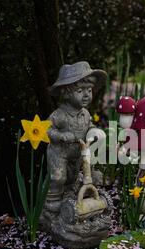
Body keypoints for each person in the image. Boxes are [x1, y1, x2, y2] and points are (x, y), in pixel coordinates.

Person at [47, 62, 106, 201]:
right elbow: (47, 130)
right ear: (66, 94)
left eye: (89, 91)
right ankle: (52, 203)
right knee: (58, 177)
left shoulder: (85, 113)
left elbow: (88, 124)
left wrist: (93, 130)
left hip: (79, 153)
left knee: (82, 176)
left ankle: (77, 196)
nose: (86, 95)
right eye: (80, 91)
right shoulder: (60, 114)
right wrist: (61, 136)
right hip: (60, 153)